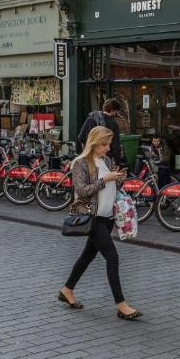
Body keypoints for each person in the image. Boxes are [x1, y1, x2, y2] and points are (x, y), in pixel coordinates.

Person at [59, 126, 141, 320]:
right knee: (112, 258)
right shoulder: (80, 163)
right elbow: (82, 190)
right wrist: (106, 179)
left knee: (87, 256)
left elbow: (112, 187)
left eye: (109, 144)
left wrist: (119, 179)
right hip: (92, 217)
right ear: (93, 143)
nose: (107, 148)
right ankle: (121, 305)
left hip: (107, 217)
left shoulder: (106, 160)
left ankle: (66, 290)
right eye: (104, 144)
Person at [77, 99, 123, 164]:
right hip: (105, 158)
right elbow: (116, 147)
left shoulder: (91, 118)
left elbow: (81, 137)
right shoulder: (113, 124)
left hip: (90, 157)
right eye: (116, 111)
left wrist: (90, 147)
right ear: (113, 111)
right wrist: (117, 162)